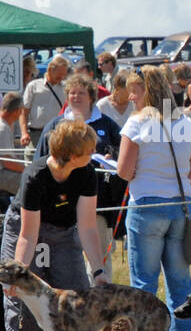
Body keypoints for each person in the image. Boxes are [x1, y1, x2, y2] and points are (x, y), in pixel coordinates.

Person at [0, 120, 112, 331]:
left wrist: (98, 270)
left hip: (64, 234)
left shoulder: (86, 172)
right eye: (89, 150)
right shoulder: (35, 176)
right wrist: (17, 276)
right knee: (23, 307)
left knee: (79, 306)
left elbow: (86, 227)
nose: (94, 154)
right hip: (25, 230)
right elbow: (28, 235)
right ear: (71, 154)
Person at [117, 65, 191, 331]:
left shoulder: (136, 123)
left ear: (145, 91)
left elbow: (124, 171)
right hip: (180, 207)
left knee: (144, 283)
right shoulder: (184, 121)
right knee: (180, 281)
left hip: (146, 207)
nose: (131, 97)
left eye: (134, 90)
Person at [35, 73, 125, 279]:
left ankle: (99, 295)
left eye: (81, 93)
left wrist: (112, 156)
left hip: (97, 203)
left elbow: (124, 152)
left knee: (99, 253)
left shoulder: (107, 124)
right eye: (71, 93)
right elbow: (39, 160)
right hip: (59, 203)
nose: (75, 96)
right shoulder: (55, 125)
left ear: (92, 96)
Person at [20, 55, 69, 154]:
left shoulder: (66, 88)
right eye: (60, 74)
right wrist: (24, 132)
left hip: (57, 134)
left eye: (64, 75)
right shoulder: (33, 86)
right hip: (35, 134)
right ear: (51, 69)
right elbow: (24, 112)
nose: (62, 77)